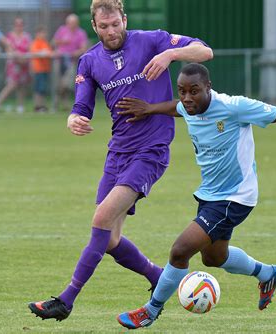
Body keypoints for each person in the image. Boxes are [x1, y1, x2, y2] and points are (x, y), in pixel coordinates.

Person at [115, 63, 276, 330]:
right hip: (210, 195)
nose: (187, 98)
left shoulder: (233, 106)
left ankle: (150, 310)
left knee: (180, 251)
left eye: (194, 91)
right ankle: (268, 273)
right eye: (182, 91)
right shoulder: (188, 106)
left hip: (235, 197)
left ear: (208, 87)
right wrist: (149, 108)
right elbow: (177, 108)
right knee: (213, 258)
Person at [28, 0, 213, 322]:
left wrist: (170, 54)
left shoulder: (151, 40)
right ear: (94, 26)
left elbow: (204, 51)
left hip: (150, 151)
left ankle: (66, 300)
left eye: (116, 24)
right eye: (104, 26)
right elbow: (81, 107)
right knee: (110, 239)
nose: (111, 31)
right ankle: (158, 279)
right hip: (117, 153)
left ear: (124, 19)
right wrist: (73, 119)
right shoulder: (89, 61)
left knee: (101, 219)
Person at [0, 17, 32, 113]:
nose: (19, 27)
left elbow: (29, 49)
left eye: (21, 25)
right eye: (17, 25)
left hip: (24, 63)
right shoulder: (10, 36)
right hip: (13, 64)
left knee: (22, 85)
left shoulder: (27, 36)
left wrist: (24, 58)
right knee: (12, 84)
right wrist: (16, 56)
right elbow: (8, 49)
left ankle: (20, 106)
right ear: (14, 26)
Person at [52, 13, 88, 110]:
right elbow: (54, 42)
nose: (71, 24)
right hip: (59, 59)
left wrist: (76, 52)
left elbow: (83, 48)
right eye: (70, 22)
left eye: (74, 22)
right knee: (57, 82)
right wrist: (62, 42)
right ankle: (59, 103)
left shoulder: (81, 33)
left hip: (72, 61)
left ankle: (61, 101)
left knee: (66, 84)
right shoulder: (62, 30)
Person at [30, 26, 53, 112]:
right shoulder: (35, 43)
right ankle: (38, 105)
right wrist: (43, 52)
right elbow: (35, 52)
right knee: (38, 88)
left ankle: (42, 105)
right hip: (38, 69)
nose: (43, 35)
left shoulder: (45, 42)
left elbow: (49, 52)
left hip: (45, 69)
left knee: (43, 88)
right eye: (41, 33)